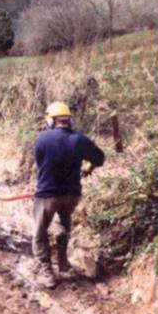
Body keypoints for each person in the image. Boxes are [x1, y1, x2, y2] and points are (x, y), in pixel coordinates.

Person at [32, 102, 105, 288]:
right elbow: (100, 158)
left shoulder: (42, 139)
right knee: (63, 222)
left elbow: (41, 164)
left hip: (47, 194)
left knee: (40, 232)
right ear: (67, 119)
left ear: (51, 119)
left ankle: (46, 271)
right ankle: (63, 261)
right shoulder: (80, 139)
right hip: (72, 195)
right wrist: (89, 167)